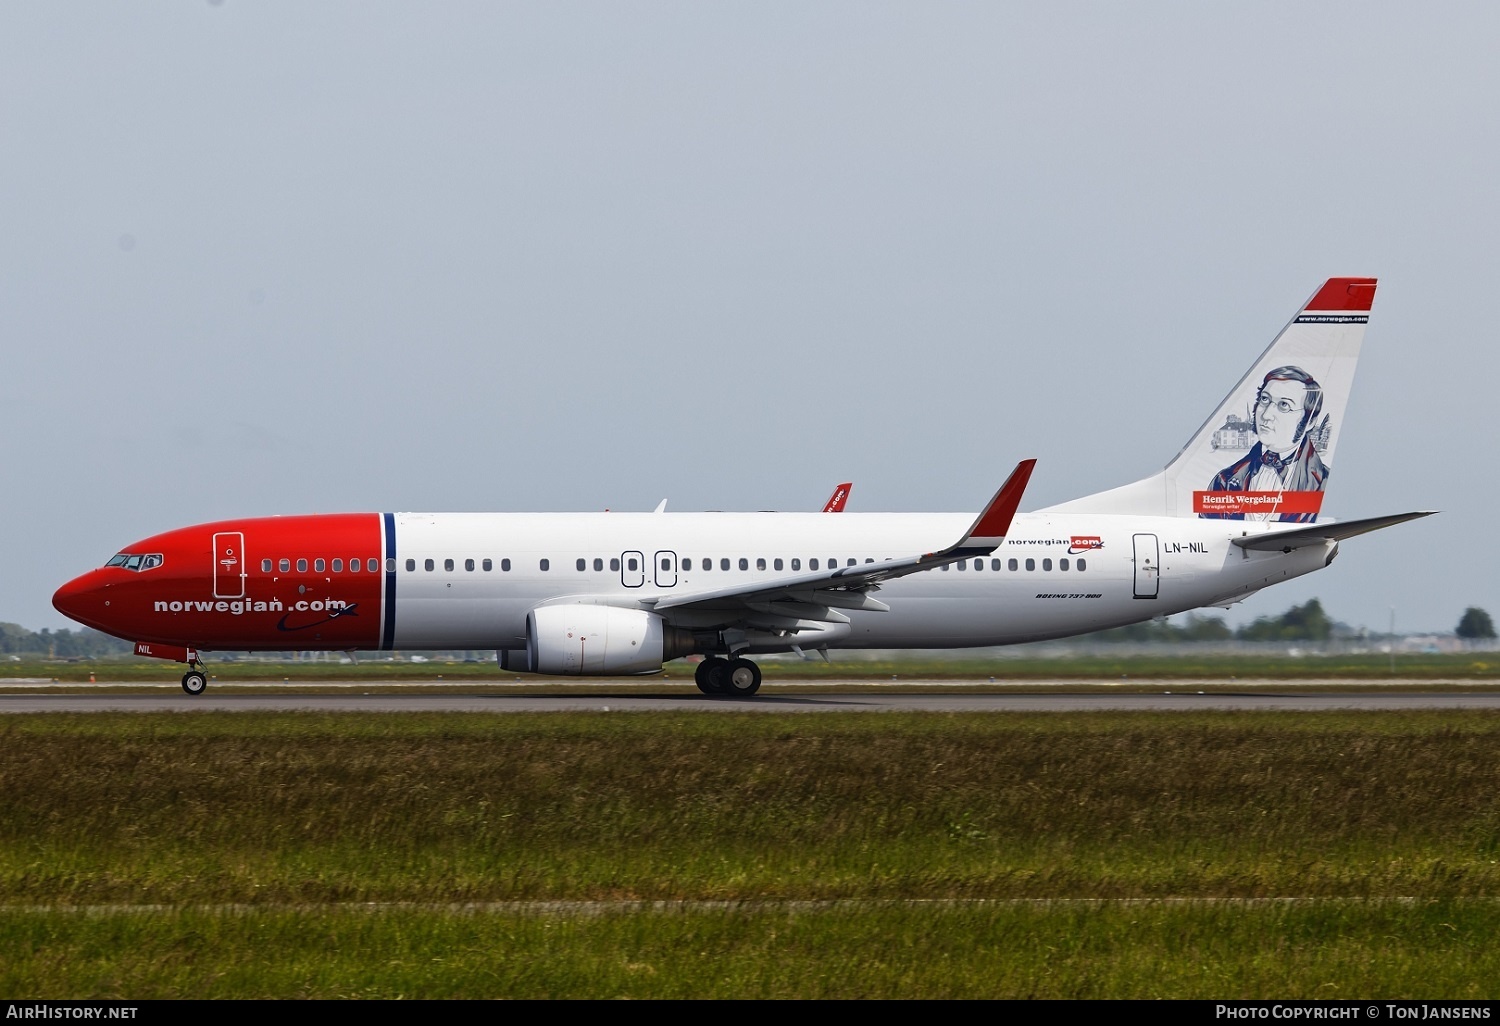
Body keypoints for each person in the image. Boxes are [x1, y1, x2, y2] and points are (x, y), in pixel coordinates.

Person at [1202, 365, 1328, 522]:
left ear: (1310, 422)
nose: (1266, 415)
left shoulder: (1324, 484)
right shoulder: (1224, 480)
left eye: (1284, 405)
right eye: (1265, 399)